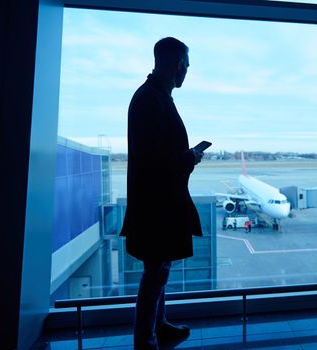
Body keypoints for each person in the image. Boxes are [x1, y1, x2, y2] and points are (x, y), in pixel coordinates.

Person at [120, 37, 203, 350]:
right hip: (157, 206)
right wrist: (190, 157)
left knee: (158, 271)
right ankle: (146, 340)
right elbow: (155, 160)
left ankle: (159, 327)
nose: (186, 72)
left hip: (158, 204)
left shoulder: (154, 97)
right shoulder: (151, 101)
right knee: (154, 274)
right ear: (177, 65)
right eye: (186, 66)